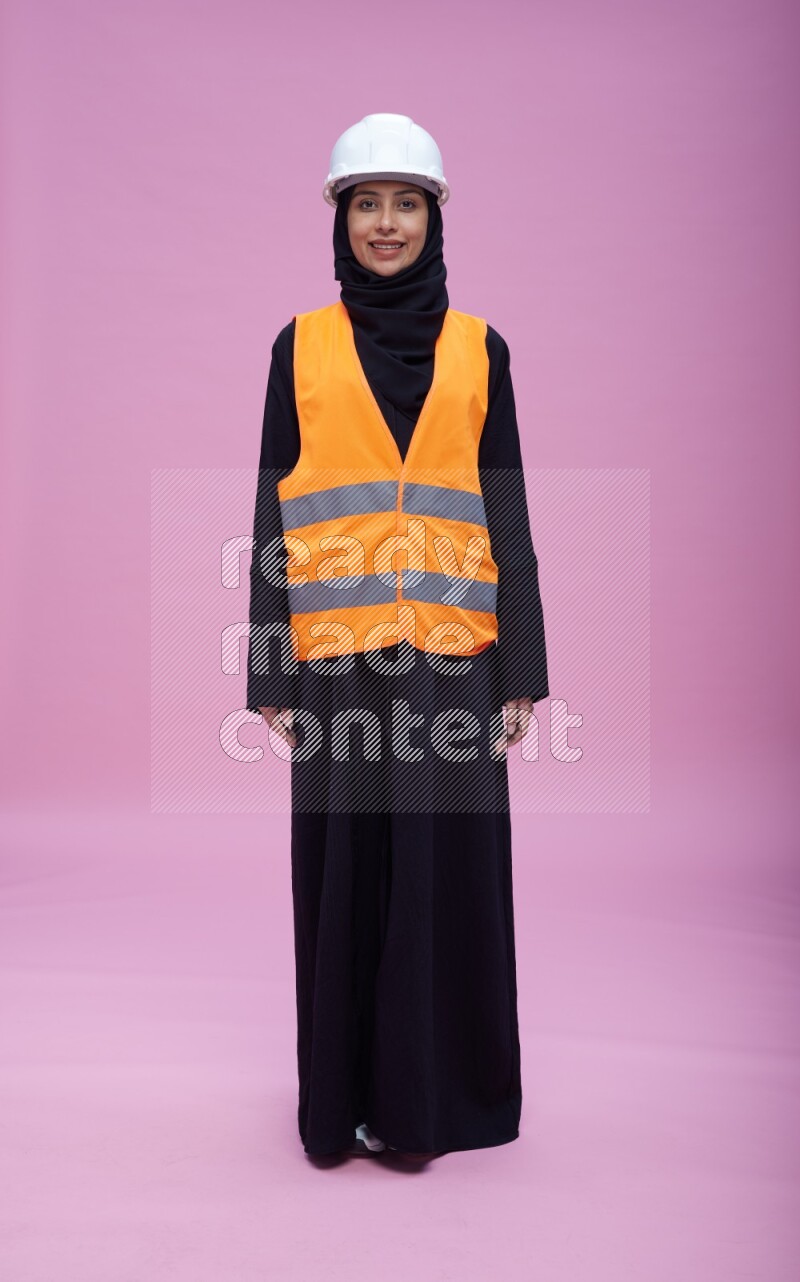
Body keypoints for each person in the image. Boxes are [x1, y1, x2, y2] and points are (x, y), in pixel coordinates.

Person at [246, 113, 549, 1163]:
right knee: (345, 872)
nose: (385, 223)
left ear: (434, 217)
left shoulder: (481, 350)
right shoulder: (299, 348)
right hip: (335, 666)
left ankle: (436, 1104)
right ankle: (342, 1103)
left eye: (404, 203)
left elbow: (504, 513)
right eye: (365, 203)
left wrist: (523, 667)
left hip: (455, 663)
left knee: (444, 872)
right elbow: (272, 514)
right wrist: (269, 672)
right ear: (340, 217)